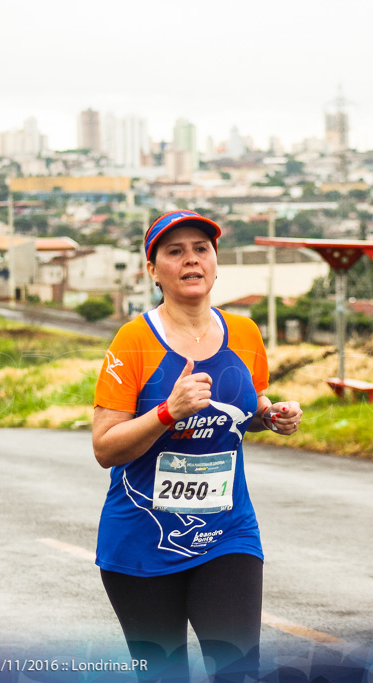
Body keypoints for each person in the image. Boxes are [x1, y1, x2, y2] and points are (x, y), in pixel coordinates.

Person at [92, 210, 303, 682]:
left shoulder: (245, 334)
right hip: (141, 541)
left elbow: (246, 404)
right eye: (175, 251)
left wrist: (270, 416)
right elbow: (105, 447)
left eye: (201, 249)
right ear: (152, 269)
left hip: (229, 532)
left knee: (238, 671)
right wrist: (169, 411)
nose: (191, 260)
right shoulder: (133, 341)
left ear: (214, 261)